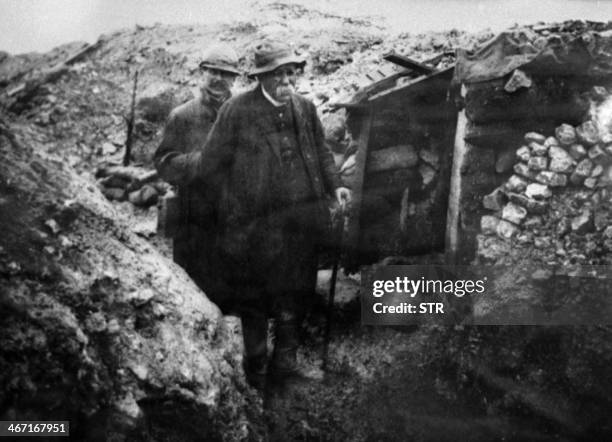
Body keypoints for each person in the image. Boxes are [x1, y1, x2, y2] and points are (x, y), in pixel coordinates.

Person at [190, 40, 352, 386]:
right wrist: (228, 210)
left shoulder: (305, 108)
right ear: (261, 77)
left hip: (300, 224)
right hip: (255, 226)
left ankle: (286, 365)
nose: (287, 82)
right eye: (279, 75)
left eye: (292, 74)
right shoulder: (237, 110)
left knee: (294, 292)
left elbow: (322, 152)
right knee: (255, 298)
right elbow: (209, 166)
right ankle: (256, 368)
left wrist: (334, 184)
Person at [154, 43, 240, 306]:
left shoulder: (242, 113)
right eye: (213, 71)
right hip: (195, 213)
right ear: (202, 72)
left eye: (225, 74)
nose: (218, 79)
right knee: (195, 287)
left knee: (232, 281)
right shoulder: (182, 116)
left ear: (234, 78)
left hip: (234, 211)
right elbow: (164, 162)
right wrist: (199, 162)